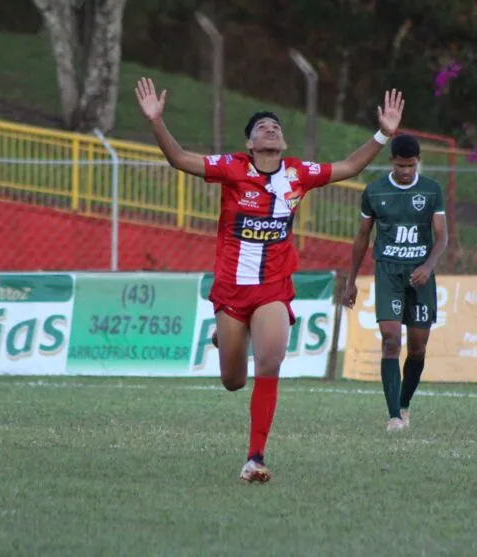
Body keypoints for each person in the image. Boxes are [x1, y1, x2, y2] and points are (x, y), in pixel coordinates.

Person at [135, 77, 404, 482]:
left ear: (283, 143)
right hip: (230, 288)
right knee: (232, 381)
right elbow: (179, 159)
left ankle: (255, 458)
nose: (271, 129)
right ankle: (228, 335)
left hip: (273, 289)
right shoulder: (232, 169)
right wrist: (156, 121)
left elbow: (349, 167)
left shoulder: (298, 174)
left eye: (276, 126)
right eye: (262, 127)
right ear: (249, 144)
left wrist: (384, 133)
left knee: (271, 361)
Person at [342, 134, 448, 432]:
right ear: (392, 162)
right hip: (388, 272)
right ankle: (394, 416)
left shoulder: (431, 190)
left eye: (411, 166)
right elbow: (362, 236)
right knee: (390, 340)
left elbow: (442, 236)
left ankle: (404, 405)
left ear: (418, 162)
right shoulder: (374, 191)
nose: (406, 171)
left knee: (417, 348)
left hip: (420, 277)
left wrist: (428, 266)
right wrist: (351, 280)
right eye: (401, 166)